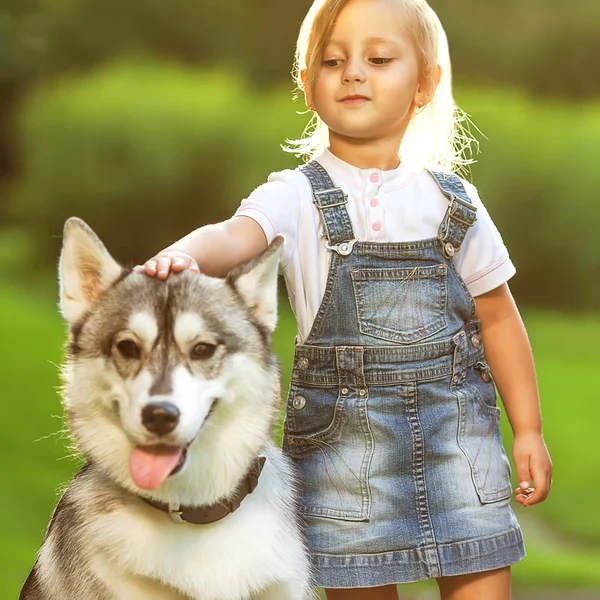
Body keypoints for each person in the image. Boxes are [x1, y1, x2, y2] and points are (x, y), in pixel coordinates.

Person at [136, 0, 553, 598]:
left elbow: (497, 317)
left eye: (379, 58)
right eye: (333, 61)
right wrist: (182, 257)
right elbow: (232, 236)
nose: (354, 72)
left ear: (425, 84)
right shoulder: (295, 196)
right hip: (343, 451)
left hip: (458, 437)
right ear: (308, 86)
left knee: (481, 574)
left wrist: (529, 428)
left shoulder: (454, 201)